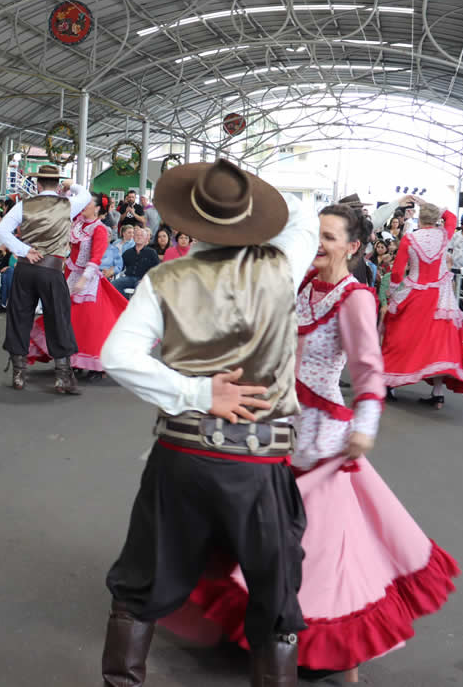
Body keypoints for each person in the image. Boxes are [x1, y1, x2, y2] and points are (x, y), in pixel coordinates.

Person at [176, 203, 460, 682]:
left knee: (322, 552)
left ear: (352, 248)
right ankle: (262, 628)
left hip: (322, 440)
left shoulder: (355, 298)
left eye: (329, 237)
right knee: (257, 527)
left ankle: (337, 651)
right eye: (316, 235)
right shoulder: (304, 284)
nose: (319, 245)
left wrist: (365, 425)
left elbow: (368, 371)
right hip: (276, 426)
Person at [96, 158, 318, 687]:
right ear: (250, 217)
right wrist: (259, 201)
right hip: (259, 462)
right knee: (275, 595)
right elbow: (305, 217)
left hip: (182, 454)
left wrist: (194, 391)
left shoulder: (164, 277)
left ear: (189, 222)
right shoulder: (283, 264)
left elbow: (117, 355)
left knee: (142, 581)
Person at [0, 164, 92, 394]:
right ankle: (62, 377)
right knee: (58, 318)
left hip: (25, 268)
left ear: (38, 184)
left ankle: (19, 374)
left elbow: (1, 230)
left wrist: (23, 249)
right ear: (58, 185)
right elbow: (86, 195)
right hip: (51, 269)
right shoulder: (67, 204)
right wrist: (72, 185)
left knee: (19, 317)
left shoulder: (24, 204)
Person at [382, 196, 463, 408]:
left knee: (400, 336)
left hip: (415, 294)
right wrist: (426, 203)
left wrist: (392, 292)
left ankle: (389, 385)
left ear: (419, 220)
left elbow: (398, 270)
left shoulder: (410, 238)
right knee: (437, 344)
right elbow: (451, 217)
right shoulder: (444, 234)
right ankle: (437, 394)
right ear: (435, 219)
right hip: (440, 299)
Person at [29, 193, 127, 380]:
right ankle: (72, 359)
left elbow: (96, 257)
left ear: (98, 208)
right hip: (69, 275)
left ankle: (95, 365)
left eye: (88, 203)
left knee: (89, 324)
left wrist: (83, 279)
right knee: (67, 319)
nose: (84, 205)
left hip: (88, 280)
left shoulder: (99, 229)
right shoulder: (78, 223)